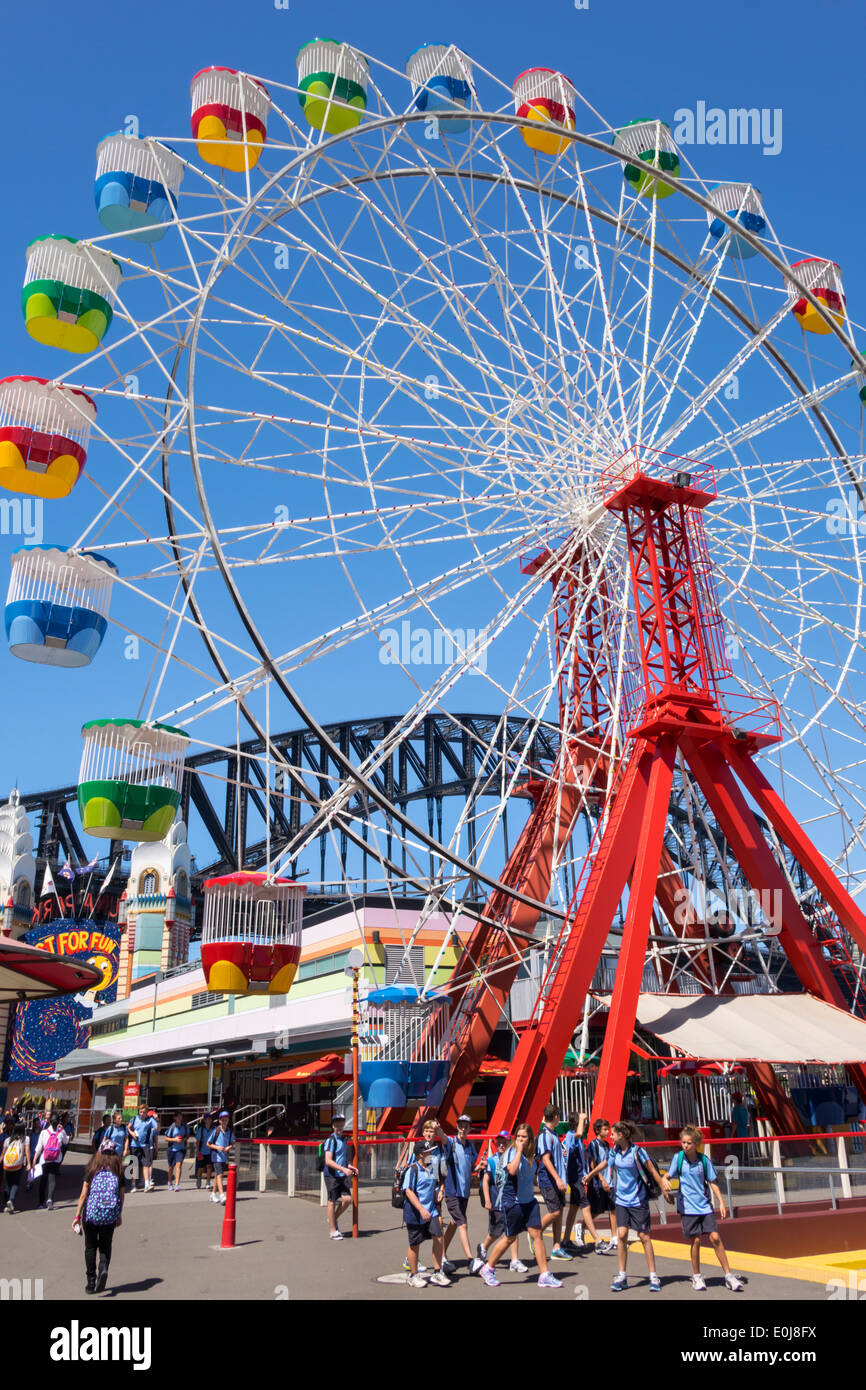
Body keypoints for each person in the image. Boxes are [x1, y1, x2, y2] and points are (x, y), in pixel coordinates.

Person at [478, 1123, 563, 1289]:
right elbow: (512, 1171)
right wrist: (517, 1149)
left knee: (537, 1235)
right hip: (513, 1203)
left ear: (530, 1139)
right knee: (509, 1238)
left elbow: (531, 1176)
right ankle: (488, 1268)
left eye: (524, 1137)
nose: (520, 1140)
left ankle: (544, 1274)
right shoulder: (511, 1152)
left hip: (529, 1202)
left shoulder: (530, 1155)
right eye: (518, 1137)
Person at [662, 1127, 744, 1292]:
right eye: (683, 1142)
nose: (685, 1146)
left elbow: (712, 1182)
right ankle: (697, 1276)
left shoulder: (704, 1161)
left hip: (704, 1206)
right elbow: (666, 1176)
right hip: (688, 1207)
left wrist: (721, 1203)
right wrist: (665, 1187)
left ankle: (728, 1276)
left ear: (696, 1144)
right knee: (696, 1241)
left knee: (715, 1237)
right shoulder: (678, 1159)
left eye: (689, 1143)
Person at [601, 1119, 666, 1292]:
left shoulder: (638, 1152)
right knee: (621, 1235)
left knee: (644, 1236)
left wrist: (664, 1189)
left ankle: (653, 1276)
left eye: (613, 1133)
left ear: (621, 1135)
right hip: (621, 1200)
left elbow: (651, 1170)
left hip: (638, 1200)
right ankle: (622, 1275)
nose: (610, 1136)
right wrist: (593, 1174)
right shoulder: (614, 1151)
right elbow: (606, 1164)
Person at [472, 1129, 527, 1275]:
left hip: (511, 1201)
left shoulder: (514, 1157)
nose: (502, 1144)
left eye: (505, 1141)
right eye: (499, 1142)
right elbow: (485, 1181)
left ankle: (514, 1260)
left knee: (512, 1231)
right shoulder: (492, 1160)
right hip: (496, 1202)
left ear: (510, 1143)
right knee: (495, 1232)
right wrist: (487, 1200)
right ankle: (484, 1247)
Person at [73, 1140, 124, 1294]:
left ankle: (90, 1282)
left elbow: (83, 1195)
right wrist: (119, 1214)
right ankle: (103, 1267)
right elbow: (121, 1195)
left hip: (91, 1213)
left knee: (90, 1246)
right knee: (105, 1245)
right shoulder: (118, 1170)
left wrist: (76, 1217)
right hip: (109, 1214)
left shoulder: (92, 1168)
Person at [400, 1141, 451, 1287]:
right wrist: (421, 1209)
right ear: (421, 1154)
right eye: (429, 1152)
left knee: (439, 1238)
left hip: (432, 1211)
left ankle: (436, 1272)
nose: (432, 1154)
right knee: (414, 1244)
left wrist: (439, 1193)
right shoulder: (412, 1170)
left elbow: (434, 1185)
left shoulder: (432, 1167)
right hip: (415, 1213)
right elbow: (408, 1191)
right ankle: (413, 1275)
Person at [441, 1113, 478, 1273]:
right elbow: (443, 1138)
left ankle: (441, 1256)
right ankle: (471, 1260)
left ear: (470, 1128)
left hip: (464, 1192)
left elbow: (472, 1166)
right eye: (461, 1125)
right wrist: (438, 1130)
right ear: (457, 1127)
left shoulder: (470, 1146)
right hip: (452, 1191)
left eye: (466, 1126)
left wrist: (480, 1167)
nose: (463, 1128)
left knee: (454, 1223)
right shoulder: (451, 1142)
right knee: (462, 1223)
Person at [535, 1103, 572, 1261]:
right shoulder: (545, 1135)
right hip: (549, 1179)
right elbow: (545, 1159)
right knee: (554, 1212)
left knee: (560, 1211)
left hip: (558, 1179)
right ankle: (535, 1232)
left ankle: (557, 1247)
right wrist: (557, 1178)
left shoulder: (554, 1134)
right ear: (556, 1117)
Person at [582, 1117, 618, 1253]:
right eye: (605, 1129)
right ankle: (583, 1226)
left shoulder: (607, 1145)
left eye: (608, 1129)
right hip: (598, 1182)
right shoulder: (593, 1144)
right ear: (597, 1130)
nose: (608, 1131)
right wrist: (601, 1179)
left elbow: (608, 1161)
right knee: (597, 1210)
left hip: (609, 1181)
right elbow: (593, 1163)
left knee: (613, 1209)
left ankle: (614, 1238)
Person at [322, 1113, 357, 1240]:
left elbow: (342, 1158)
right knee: (331, 1201)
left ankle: (332, 1219)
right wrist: (343, 1169)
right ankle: (332, 1230)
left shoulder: (343, 1140)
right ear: (332, 1126)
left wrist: (349, 1166)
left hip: (341, 1175)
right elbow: (328, 1160)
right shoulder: (331, 1140)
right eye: (336, 1125)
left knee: (347, 1199)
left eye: (341, 1124)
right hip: (331, 1175)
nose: (339, 1127)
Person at [34, 1114, 69, 1210]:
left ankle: (40, 1203)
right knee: (52, 1180)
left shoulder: (44, 1132)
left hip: (44, 1160)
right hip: (56, 1159)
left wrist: (33, 1160)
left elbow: (39, 1148)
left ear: (50, 1122)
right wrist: (63, 1130)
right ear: (59, 1122)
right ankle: (49, 1199)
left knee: (43, 1181)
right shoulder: (61, 1132)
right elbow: (66, 1142)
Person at [126, 1104, 158, 1192]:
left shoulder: (150, 1120)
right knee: (134, 1165)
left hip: (145, 1145)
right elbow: (128, 1128)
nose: (142, 1114)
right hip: (135, 1145)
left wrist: (157, 1120)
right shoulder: (134, 1119)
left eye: (144, 1112)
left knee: (146, 1164)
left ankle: (147, 1184)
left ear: (147, 1113)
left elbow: (157, 1129)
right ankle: (133, 1184)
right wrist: (132, 1133)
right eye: (140, 1112)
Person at [207, 1111, 235, 1203]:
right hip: (216, 1156)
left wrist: (228, 1147)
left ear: (228, 1120)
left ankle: (213, 1194)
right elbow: (208, 1143)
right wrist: (217, 1147)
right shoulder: (216, 1131)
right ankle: (222, 1195)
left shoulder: (229, 1131)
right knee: (220, 1175)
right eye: (222, 1120)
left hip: (224, 1157)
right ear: (219, 1121)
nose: (224, 1121)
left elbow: (232, 1143)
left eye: (226, 1119)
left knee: (217, 1175)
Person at [2, 1122, 29, 1213]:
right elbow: (27, 1152)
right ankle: (11, 1200)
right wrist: (28, 1163)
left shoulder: (8, 1139)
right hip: (18, 1165)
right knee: (15, 1184)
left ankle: (7, 1204)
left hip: (7, 1165)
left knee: (7, 1184)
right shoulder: (25, 1139)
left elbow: (3, 1153)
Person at [164, 1112, 189, 1192]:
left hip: (181, 1149)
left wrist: (184, 1139)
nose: (179, 1118)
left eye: (180, 1116)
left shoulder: (185, 1126)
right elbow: (166, 1138)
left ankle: (177, 1184)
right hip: (172, 1149)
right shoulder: (172, 1127)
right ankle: (170, 1182)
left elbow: (188, 1135)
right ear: (174, 1118)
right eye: (178, 1117)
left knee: (179, 1165)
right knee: (171, 1167)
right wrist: (175, 1139)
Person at [195, 1112, 215, 1189]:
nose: (208, 1120)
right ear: (204, 1120)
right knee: (200, 1167)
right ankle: (199, 1178)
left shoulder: (214, 1129)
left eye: (209, 1119)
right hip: (202, 1151)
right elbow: (198, 1141)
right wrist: (197, 1151)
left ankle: (208, 1181)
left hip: (210, 1151)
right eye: (207, 1119)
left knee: (209, 1166)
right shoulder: (201, 1129)